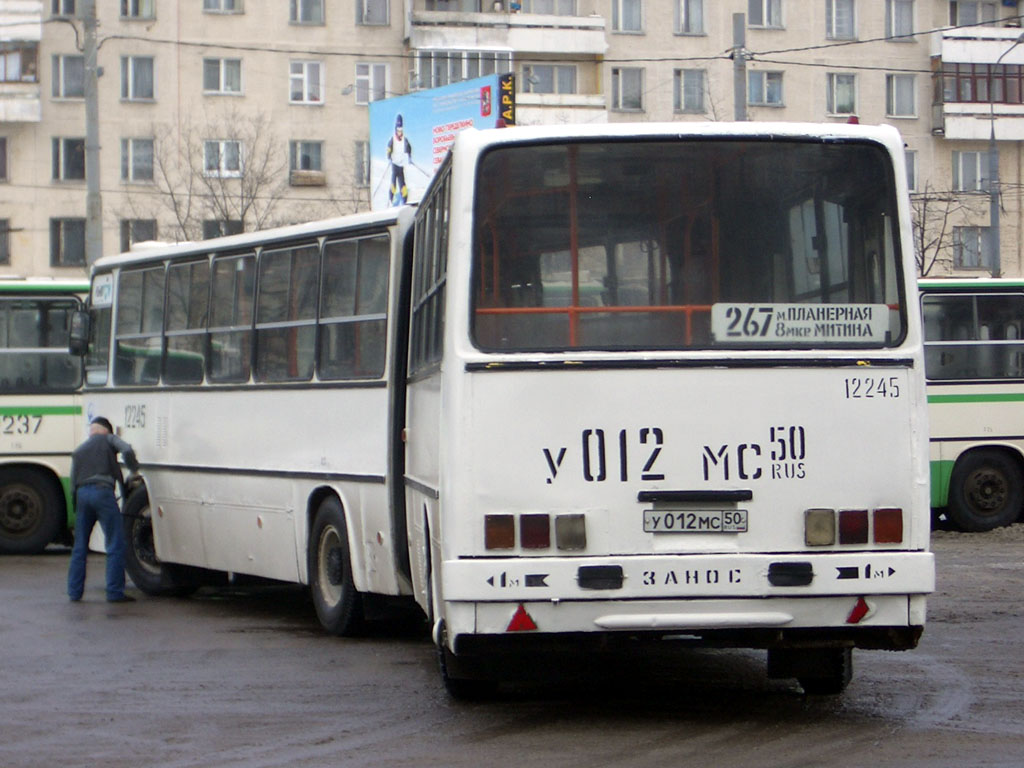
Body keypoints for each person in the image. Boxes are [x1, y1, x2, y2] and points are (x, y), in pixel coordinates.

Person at [66, 416, 140, 603]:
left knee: (80, 547)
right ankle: (114, 592)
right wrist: (134, 470)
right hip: (103, 493)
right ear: (107, 430)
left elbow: (73, 483)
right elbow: (127, 449)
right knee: (115, 543)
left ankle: (74, 592)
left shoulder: (79, 450)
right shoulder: (109, 439)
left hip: (83, 495)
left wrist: (77, 507)